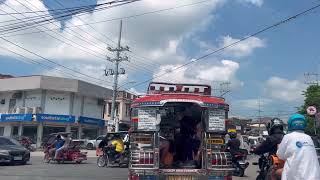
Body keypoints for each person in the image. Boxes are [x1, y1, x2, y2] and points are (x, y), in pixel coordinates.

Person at [276, 114, 320, 180]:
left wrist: (279, 148)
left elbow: (280, 156)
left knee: (275, 172)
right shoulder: (308, 138)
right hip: (315, 176)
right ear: (304, 125)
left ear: (290, 124)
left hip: (295, 177)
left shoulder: (288, 137)